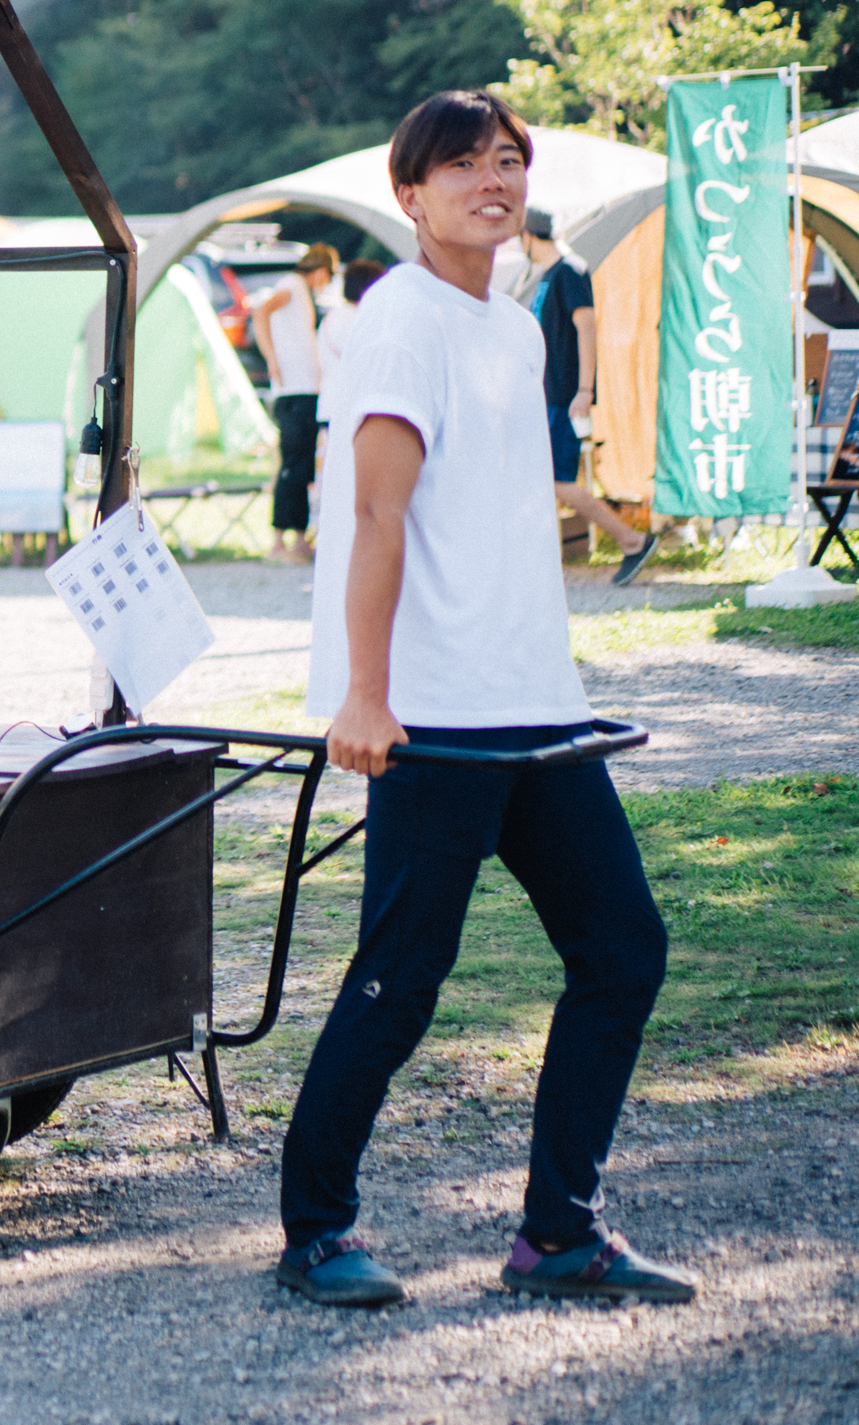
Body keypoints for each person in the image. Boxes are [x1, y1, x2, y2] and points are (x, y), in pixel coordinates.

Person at [285, 89, 692, 1311]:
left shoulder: (514, 326)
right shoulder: (398, 323)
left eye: (508, 159)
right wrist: (365, 694)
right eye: (461, 164)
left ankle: (559, 1228)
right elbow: (375, 515)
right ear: (409, 195)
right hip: (435, 712)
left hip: (534, 703)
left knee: (622, 949)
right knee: (402, 977)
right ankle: (316, 1226)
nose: (491, 180)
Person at [520, 209, 661, 585]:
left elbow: (586, 326)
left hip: (565, 395)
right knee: (547, 479)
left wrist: (584, 389)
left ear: (527, 236)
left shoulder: (569, 271)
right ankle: (539, 562)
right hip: (551, 395)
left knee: (558, 480)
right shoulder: (550, 276)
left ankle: (631, 540)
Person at [251, 244, 340, 562]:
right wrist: (272, 358)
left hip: (305, 389)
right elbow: (261, 311)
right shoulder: (291, 285)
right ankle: (282, 542)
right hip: (295, 390)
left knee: (299, 465)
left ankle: (296, 539)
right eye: (326, 278)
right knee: (294, 465)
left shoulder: (299, 290)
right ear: (319, 271)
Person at [316, 259, 386, 396]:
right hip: (349, 404)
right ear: (366, 289)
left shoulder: (332, 316)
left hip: (331, 401)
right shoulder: (358, 319)